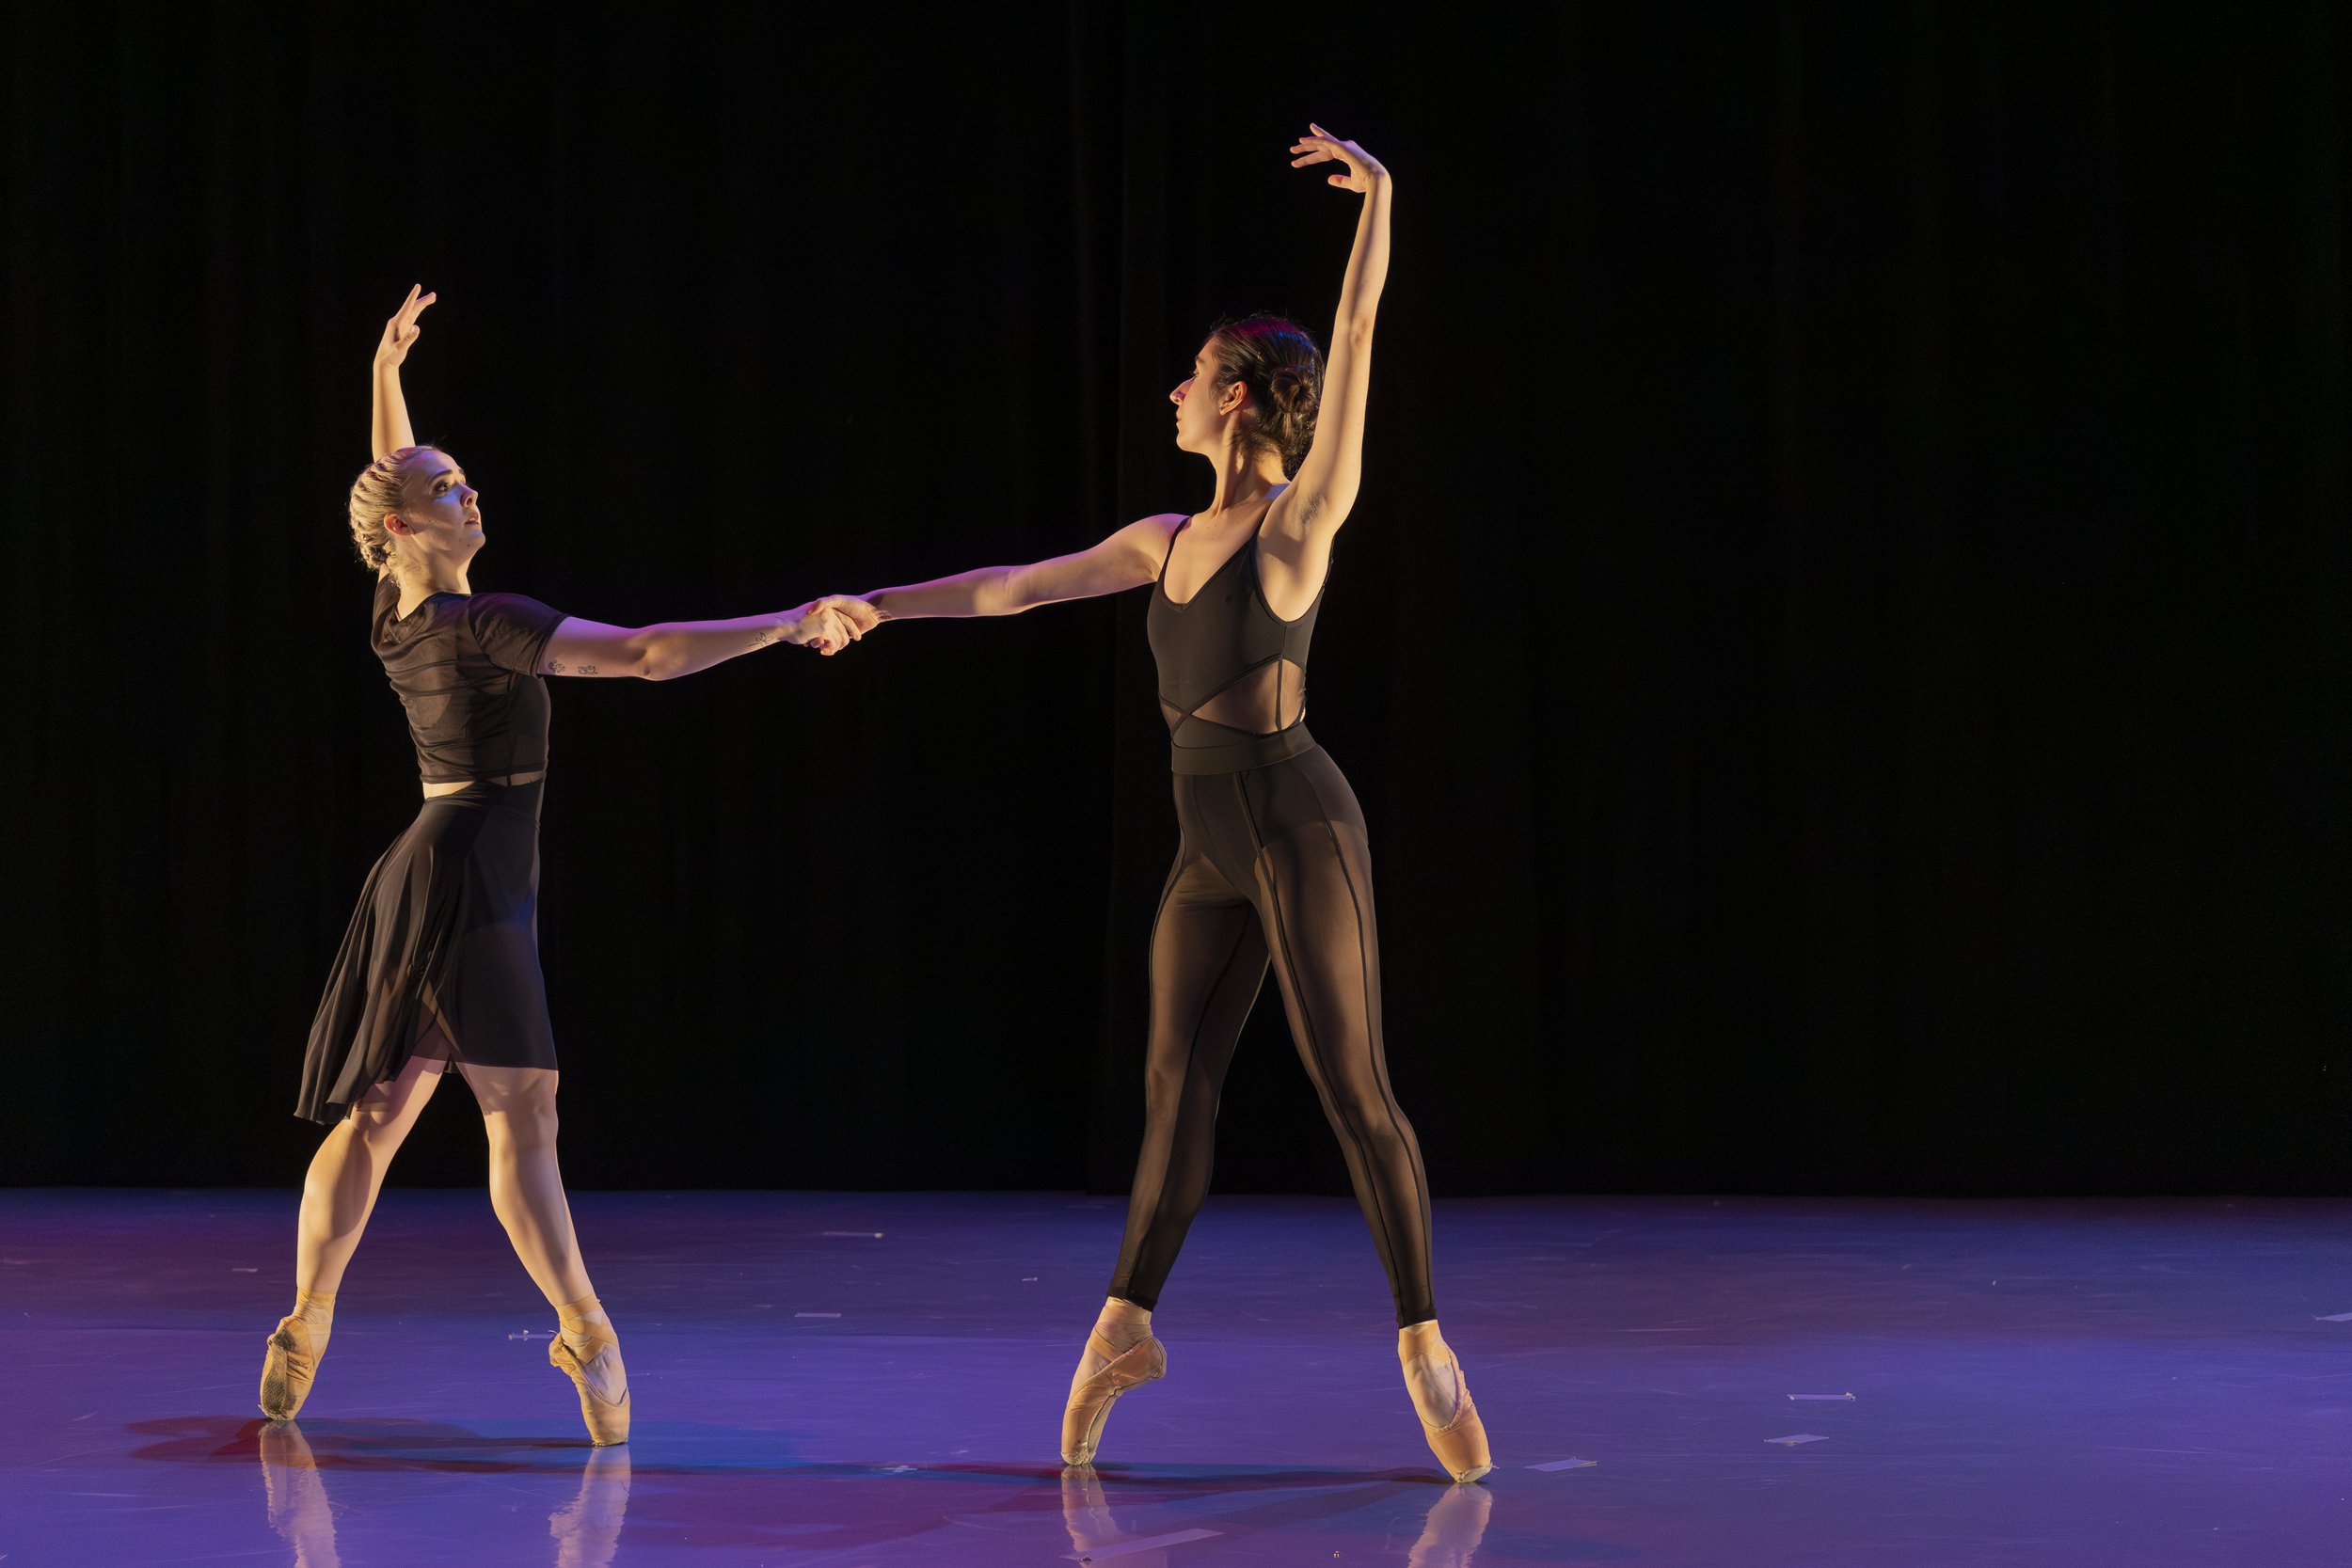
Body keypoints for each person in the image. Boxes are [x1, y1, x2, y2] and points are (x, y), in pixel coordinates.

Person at [850, 127, 1490, 1481]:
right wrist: (878, 605)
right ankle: (1123, 1326)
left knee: (1352, 1083)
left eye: (1194, 378)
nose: (1174, 393)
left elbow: (1356, 337)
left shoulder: (1297, 526)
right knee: (1170, 1088)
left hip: (1299, 821)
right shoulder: (1162, 539)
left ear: (1241, 400)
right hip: (1207, 843)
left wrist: (1380, 202)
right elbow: (1014, 586)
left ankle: (1423, 1335)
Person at [261, 287, 877, 1444]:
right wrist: (787, 622)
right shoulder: (484, 622)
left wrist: (385, 375)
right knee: (522, 1113)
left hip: (423, 868)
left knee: (382, 1112)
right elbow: (644, 655)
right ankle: (587, 1331)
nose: (470, 492)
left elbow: (385, 485)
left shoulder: (397, 614)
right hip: (471, 879)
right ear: (406, 526)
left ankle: (307, 1316)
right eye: (449, 488)